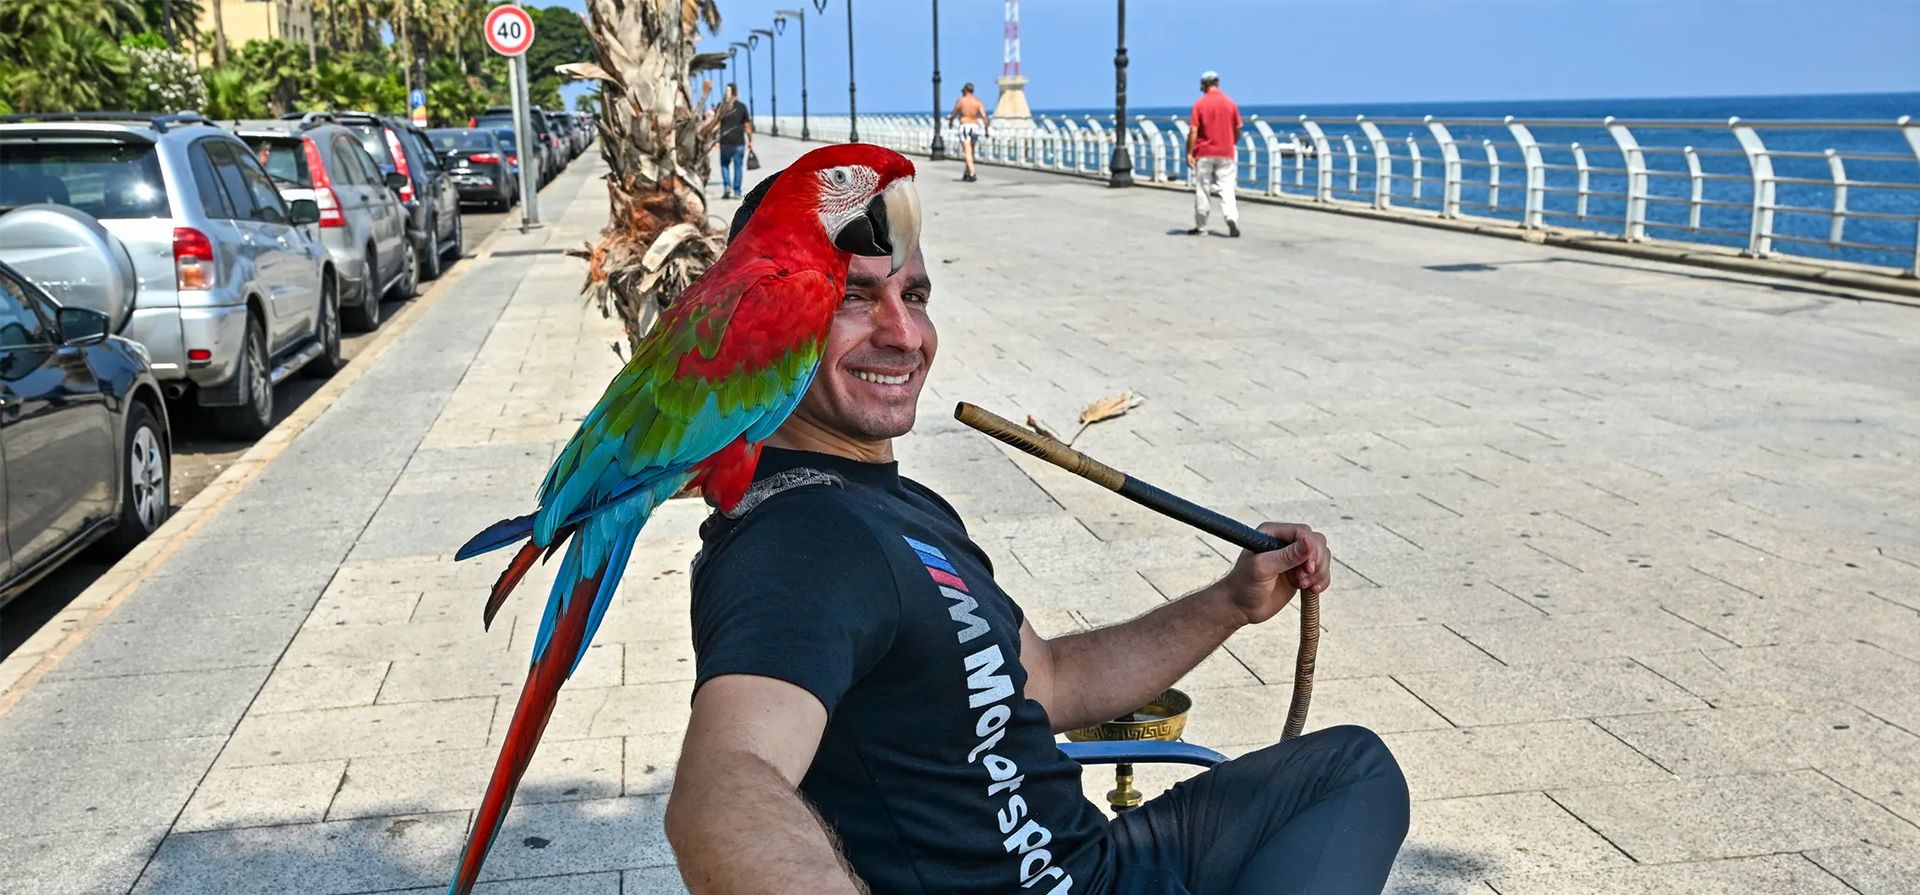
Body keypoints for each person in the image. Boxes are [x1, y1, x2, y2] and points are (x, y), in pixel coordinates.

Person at [664, 170, 1410, 895]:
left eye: (914, 294)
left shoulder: (902, 504)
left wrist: (1232, 601)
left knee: (1354, 767)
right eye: (852, 297)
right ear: (769, 319)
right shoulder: (800, 541)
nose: (904, 332)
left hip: (1092, 860)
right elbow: (723, 784)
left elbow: (1049, 679)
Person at [1186, 71, 1242, 237]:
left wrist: (1190, 152)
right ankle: (1231, 218)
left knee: (1203, 188)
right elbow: (1238, 129)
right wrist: (1231, 142)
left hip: (1204, 152)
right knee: (1227, 188)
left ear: (1203, 85)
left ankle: (1201, 226)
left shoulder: (1200, 104)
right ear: (1218, 83)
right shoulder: (1230, 103)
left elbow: (1194, 130)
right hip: (1226, 152)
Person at [715, 84, 753, 199]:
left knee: (724, 164)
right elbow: (747, 126)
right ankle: (737, 191)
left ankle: (727, 186)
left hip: (725, 141)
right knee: (738, 167)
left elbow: (716, 125)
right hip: (738, 142)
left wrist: (714, 141)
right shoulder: (742, 107)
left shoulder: (721, 106)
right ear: (737, 94)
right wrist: (750, 140)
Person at [948, 82, 989, 182]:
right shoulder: (977, 101)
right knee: (971, 151)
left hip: (965, 126)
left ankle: (972, 172)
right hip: (975, 126)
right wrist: (986, 129)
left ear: (965, 90)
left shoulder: (961, 101)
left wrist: (951, 122)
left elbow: (953, 114)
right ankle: (966, 173)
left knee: (967, 151)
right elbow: (984, 116)